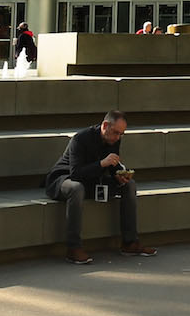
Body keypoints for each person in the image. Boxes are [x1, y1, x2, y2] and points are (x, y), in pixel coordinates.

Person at [43, 110, 154, 265]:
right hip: (64, 179)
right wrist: (102, 163)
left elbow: (113, 165)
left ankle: (130, 243)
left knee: (130, 186)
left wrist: (119, 176)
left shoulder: (115, 140)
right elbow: (76, 174)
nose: (118, 137)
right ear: (105, 125)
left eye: (121, 134)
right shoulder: (80, 139)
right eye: (116, 132)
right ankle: (73, 248)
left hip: (92, 181)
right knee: (76, 188)